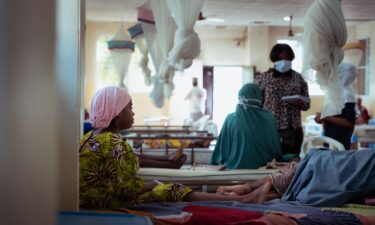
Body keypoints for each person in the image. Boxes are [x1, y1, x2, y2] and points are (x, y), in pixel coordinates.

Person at [79, 86, 266, 209]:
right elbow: (125, 190)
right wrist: (154, 184)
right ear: (117, 114)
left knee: (167, 187)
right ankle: (243, 199)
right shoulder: (115, 143)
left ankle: (240, 197)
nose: (133, 112)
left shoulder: (89, 138)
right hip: (104, 203)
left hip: (89, 200)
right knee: (170, 189)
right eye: (130, 108)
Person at [217, 148, 375, 207]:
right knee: (306, 175)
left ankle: (251, 189)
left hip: (349, 164)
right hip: (353, 163)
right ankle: (252, 191)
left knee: (314, 167)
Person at [254, 43, 310, 157]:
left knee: (291, 162)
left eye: (287, 58)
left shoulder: (298, 78)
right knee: (271, 161)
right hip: (270, 127)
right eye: (280, 58)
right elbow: (256, 104)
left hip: (293, 128)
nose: (284, 61)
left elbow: (306, 104)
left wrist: (299, 101)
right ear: (274, 59)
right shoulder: (263, 78)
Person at [209, 83, 282, 169]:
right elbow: (275, 148)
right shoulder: (269, 118)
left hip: (234, 170)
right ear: (260, 98)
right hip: (264, 169)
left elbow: (222, 150)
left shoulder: (230, 119)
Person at [314, 62, 357, 150]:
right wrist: (320, 118)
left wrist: (326, 117)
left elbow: (349, 122)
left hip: (341, 142)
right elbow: (328, 116)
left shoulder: (347, 95)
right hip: (329, 140)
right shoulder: (332, 94)